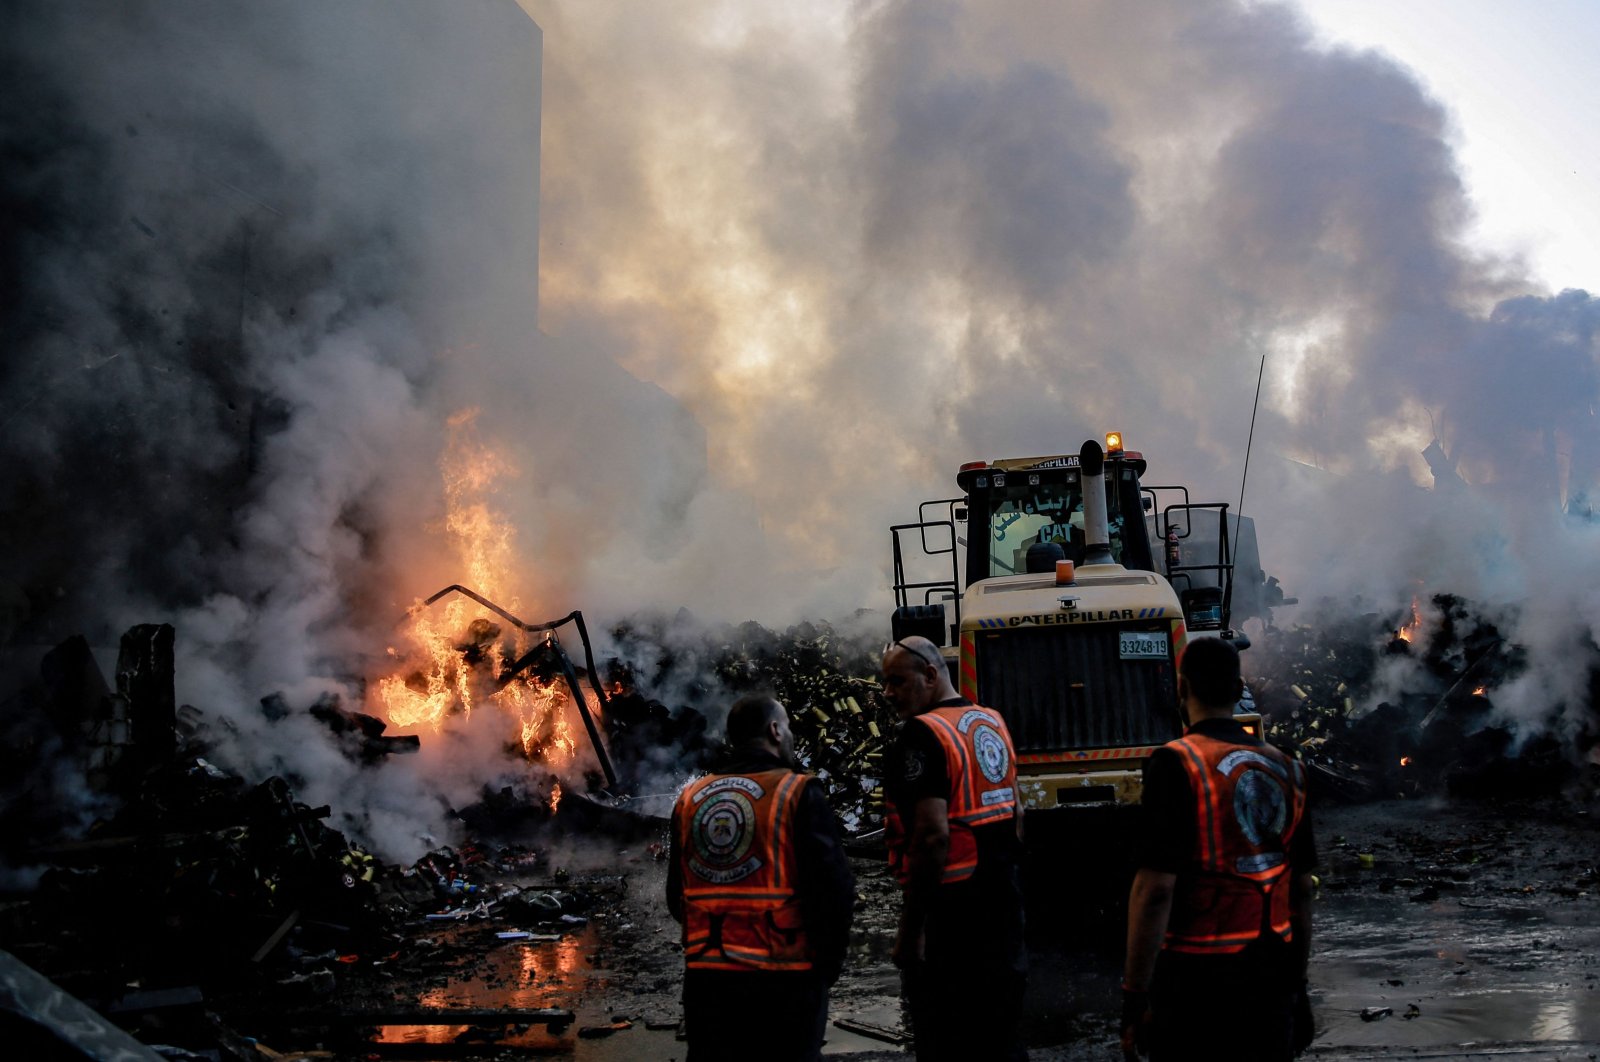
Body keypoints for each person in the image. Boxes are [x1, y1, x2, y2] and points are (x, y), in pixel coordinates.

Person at [1121, 637, 1317, 1061]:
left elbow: (1154, 891)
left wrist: (1135, 994)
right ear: (1236, 690)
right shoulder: (1290, 767)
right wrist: (1298, 988)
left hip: (1198, 984)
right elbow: (1302, 890)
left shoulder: (1175, 764)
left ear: (1181, 689)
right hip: (1272, 977)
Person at [667, 693, 855, 1062]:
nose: (791, 737)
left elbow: (677, 898)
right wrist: (825, 971)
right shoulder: (796, 791)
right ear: (774, 730)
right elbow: (834, 894)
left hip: (708, 986)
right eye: (787, 728)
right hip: (784, 983)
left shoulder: (691, 799)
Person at [880, 635, 1028, 1062]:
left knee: (947, 1040)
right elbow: (1017, 813)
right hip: (1003, 908)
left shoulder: (922, 735)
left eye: (897, 681)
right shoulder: (991, 721)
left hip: (953, 920)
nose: (888, 693)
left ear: (930, 675)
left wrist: (911, 930)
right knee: (1002, 1038)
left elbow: (932, 836)